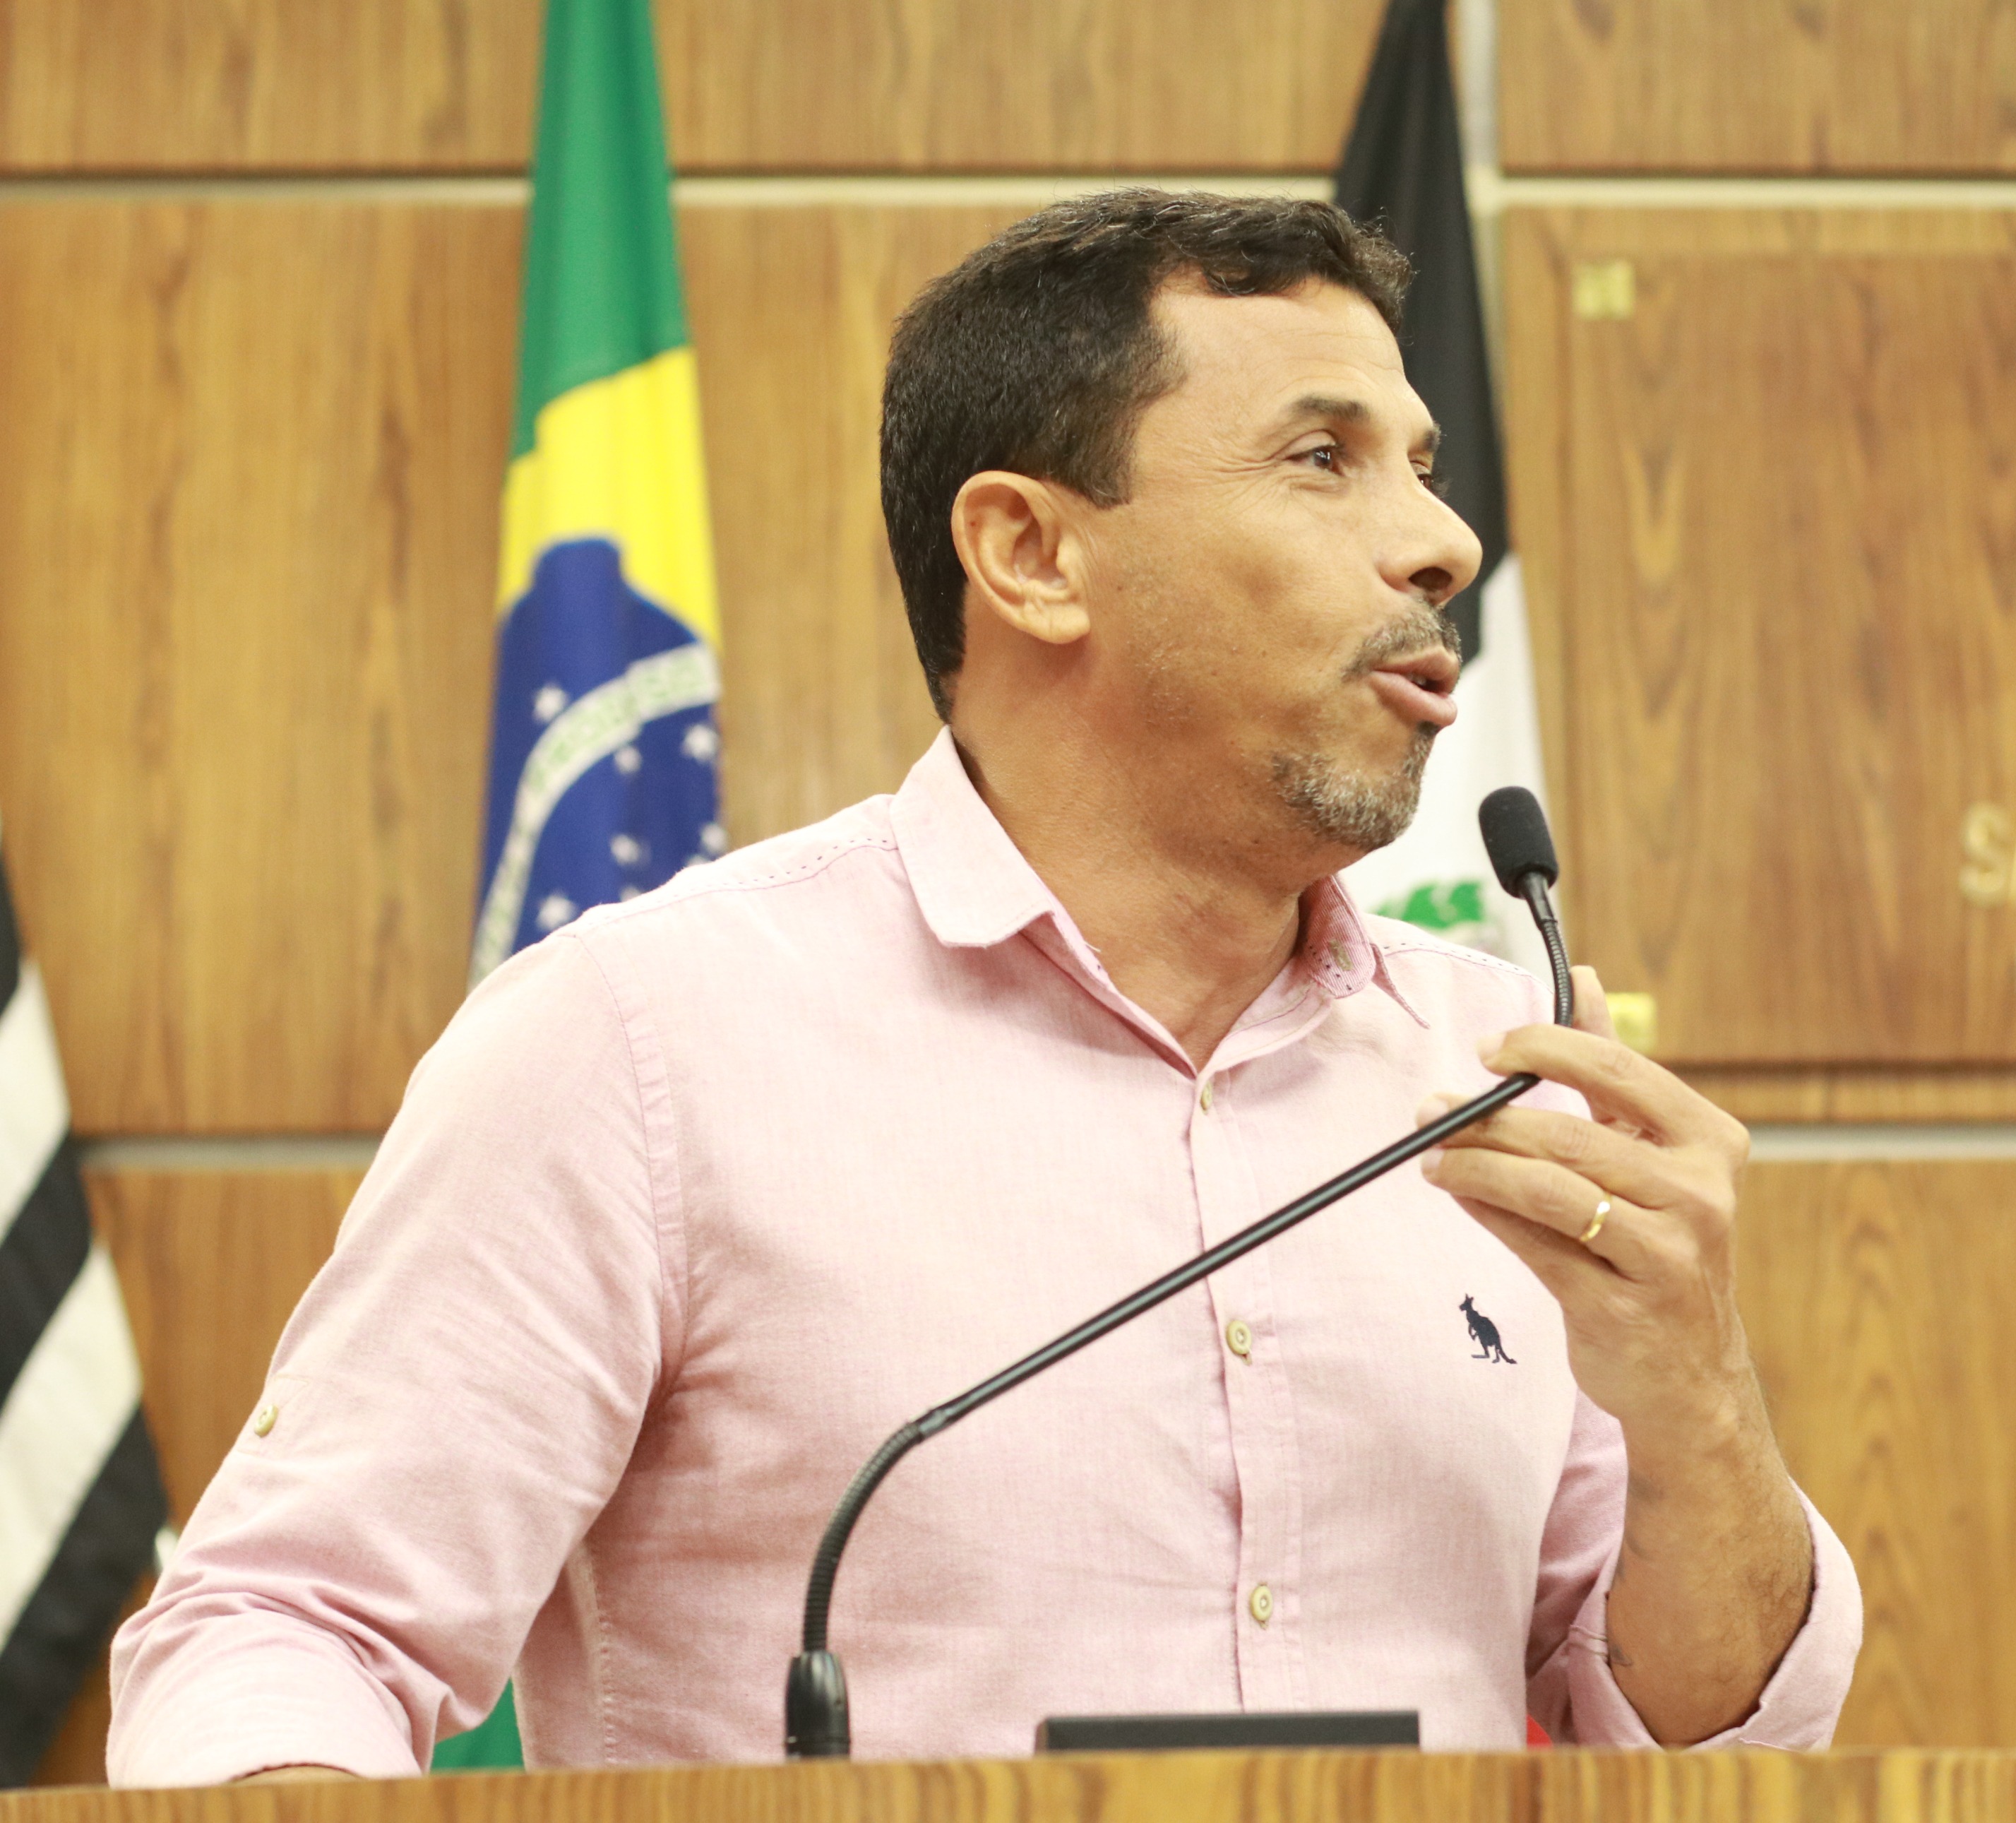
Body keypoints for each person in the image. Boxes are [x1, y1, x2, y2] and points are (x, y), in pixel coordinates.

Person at [106, 190, 1862, 1784]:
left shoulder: (1498, 1066)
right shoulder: (643, 1045)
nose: (1443, 541)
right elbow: (283, 1627)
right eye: (1323, 458)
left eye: (1423, 462)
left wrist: (1698, 1392)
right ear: (1029, 552)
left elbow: (1694, 1742)